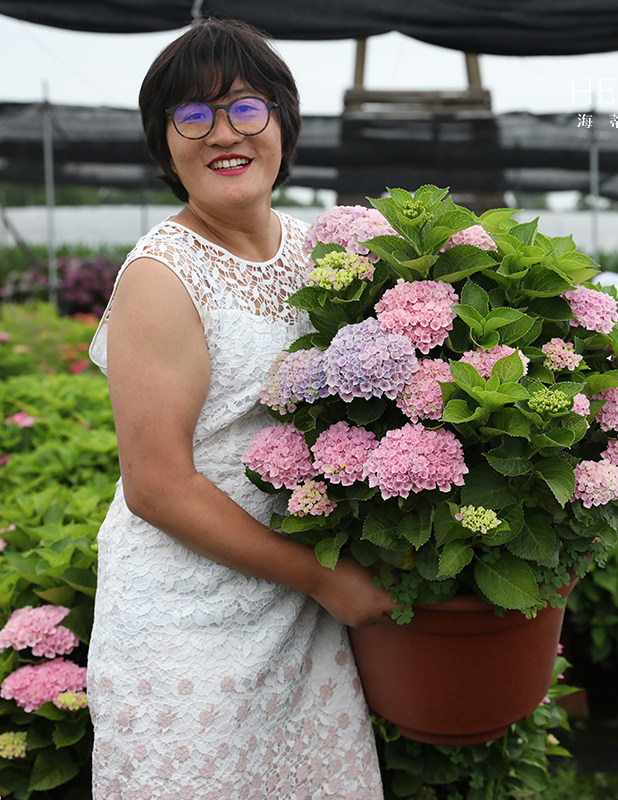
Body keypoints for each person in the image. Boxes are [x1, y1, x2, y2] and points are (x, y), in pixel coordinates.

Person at [87, 16, 395, 799]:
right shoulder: (161, 276)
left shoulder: (316, 252)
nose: (223, 132)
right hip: (185, 620)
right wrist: (324, 579)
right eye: (192, 115)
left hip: (292, 610)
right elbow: (157, 487)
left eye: (245, 107)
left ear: (283, 122)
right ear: (166, 144)